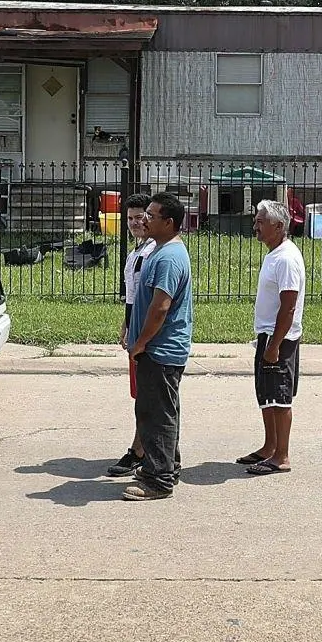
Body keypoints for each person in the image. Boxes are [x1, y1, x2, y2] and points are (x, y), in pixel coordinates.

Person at [122, 192, 195, 500]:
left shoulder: (167, 257)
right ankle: (166, 466)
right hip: (160, 349)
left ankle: (158, 479)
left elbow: (160, 307)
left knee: (155, 414)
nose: (144, 219)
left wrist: (140, 343)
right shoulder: (161, 250)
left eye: (151, 215)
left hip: (159, 350)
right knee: (162, 411)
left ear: (169, 222)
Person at [238, 200, 305, 476]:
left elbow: (288, 306)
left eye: (261, 221)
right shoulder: (274, 253)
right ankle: (269, 447)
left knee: (279, 397)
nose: (256, 225)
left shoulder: (287, 258)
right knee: (266, 395)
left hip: (280, 339)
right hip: (267, 336)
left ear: (278, 226)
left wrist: (276, 345)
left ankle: (282, 455)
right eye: (256, 220)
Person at [107, 193, 159, 478]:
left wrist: (142, 334)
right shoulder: (135, 252)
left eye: (140, 217)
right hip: (136, 328)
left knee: (148, 396)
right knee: (141, 394)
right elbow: (130, 296)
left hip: (148, 334)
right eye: (130, 218)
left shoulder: (154, 252)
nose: (135, 223)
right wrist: (126, 326)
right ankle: (150, 448)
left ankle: (140, 450)